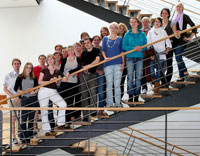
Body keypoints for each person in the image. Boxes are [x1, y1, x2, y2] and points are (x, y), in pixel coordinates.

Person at [38, 54, 67, 136]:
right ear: (47, 61)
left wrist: (57, 80)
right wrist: (49, 81)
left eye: (52, 59)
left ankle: (60, 123)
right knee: (44, 110)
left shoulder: (57, 71)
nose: (50, 61)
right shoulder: (44, 70)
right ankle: (46, 130)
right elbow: (39, 82)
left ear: (54, 60)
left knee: (63, 104)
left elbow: (59, 83)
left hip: (53, 91)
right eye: (49, 59)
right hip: (43, 91)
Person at [122, 17, 147, 102]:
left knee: (138, 77)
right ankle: (130, 96)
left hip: (140, 58)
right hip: (129, 58)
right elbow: (124, 46)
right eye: (131, 22)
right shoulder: (127, 34)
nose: (133, 23)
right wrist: (134, 48)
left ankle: (136, 96)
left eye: (134, 22)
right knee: (130, 77)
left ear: (138, 23)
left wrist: (141, 49)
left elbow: (145, 46)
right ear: (130, 23)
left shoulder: (142, 34)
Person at [14, 62, 39, 144]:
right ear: (25, 68)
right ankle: (23, 137)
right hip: (24, 99)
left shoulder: (34, 77)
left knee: (31, 119)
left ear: (32, 69)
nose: (28, 69)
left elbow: (37, 89)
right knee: (24, 119)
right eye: (27, 67)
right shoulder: (20, 77)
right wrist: (23, 92)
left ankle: (29, 138)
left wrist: (33, 92)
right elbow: (15, 88)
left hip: (33, 99)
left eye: (30, 68)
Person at [102, 22, 124, 107]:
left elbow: (122, 51)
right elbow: (103, 50)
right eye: (112, 27)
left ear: (117, 29)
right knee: (109, 84)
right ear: (110, 29)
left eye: (115, 27)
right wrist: (105, 57)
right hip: (108, 64)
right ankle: (110, 103)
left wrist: (123, 63)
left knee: (117, 84)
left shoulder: (120, 39)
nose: (113, 29)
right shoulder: (105, 38)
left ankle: (118, 103)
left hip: (118, 63)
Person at [173, 2, 197, 81]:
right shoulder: (175, 17)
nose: (178, 8)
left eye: (180, 7)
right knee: (177, 58)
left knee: (178, 57)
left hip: (182, 40)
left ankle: (184, 72)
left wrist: (190, 37)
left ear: (182, 8)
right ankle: (182, 75)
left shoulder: (185, 16)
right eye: (177, 7)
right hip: (175, 40)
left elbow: (194, 27)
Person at [147, 17, 172, 94]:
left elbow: (168, 42)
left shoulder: (163, 31)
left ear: (161, 23)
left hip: (161, 54)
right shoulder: (150, 32)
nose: (156, 23)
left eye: (158, 22)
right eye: (155, 21)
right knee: (151, 71)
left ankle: (156, 87)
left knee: (159, 72)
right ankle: (156, 83)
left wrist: (167, 49)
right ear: (153, 23)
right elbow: (148, 45)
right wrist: (151, 54)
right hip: (153, 54)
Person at [80, 38, 100, 121]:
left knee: (93, 92)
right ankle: (85, 115)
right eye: (85, 43)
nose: (87, 44)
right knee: (84, 95)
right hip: (84, 75)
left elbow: (97, 60)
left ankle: (93, 111)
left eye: (88, 43)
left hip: (92, 75)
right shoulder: (83, 52)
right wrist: (84, 68)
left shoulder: (96, 50)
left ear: (91, 43)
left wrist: (88, 66)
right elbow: (81, 64)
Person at [60, 45, 81, 123]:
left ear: (74, 51)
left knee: (70, 101)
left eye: (72, 50)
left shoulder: (77, 59)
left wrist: (70, 72)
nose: (71, 51)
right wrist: (63, 76)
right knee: (64, 101)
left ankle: (69, 119)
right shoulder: (65, 60)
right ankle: (64, 120)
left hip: (73, 83)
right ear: (67, 52)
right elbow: (60, 70)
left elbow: (79, 68)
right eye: (69, 50)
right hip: (65, 82)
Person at [3, 58, 21, 144]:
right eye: (15, 63)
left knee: (21, 118)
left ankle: (20, 135)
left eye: (18, 63)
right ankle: (13, 137)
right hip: (12, 99)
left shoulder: (22, 75)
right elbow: (5, 89)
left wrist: (20, 97)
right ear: (12, 65)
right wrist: (14, 96)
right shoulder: (8, 75)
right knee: (13, 118)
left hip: (20, 99)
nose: (17, 65)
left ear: (20, 65)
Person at [160, 8, 176, 86]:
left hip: (169, 46)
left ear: (168, 14)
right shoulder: (159, 23)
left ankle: (167, 81)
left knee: (169, 64)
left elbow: (175, 35)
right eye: (163, 13)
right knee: (161, 65)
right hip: (160, 47)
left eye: (166, 13)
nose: (164, 14)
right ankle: (163, 81)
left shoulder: (172, 23)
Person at [92, 35, 107, 116]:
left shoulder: (103, 49)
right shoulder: (91, 50)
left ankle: (100, 109)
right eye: (95, 40)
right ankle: (93, 110)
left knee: (101, 91)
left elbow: (106, 60)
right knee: (93, 92)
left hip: (102, 72)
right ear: (92, 41)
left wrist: (103, 70)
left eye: (98, 40)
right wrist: (97, 70)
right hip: (93, 73)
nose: (96, 41)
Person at [33, 54, 47, 135]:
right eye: (40, 59)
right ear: (38, 60)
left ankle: (45, 127)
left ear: (45, 60)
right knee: (36, 110)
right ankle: (35, 127)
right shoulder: (34, 69)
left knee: (45, 109)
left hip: (46, 90)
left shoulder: (47, 68)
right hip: (37, 90)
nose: (42, 60)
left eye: (43, 59)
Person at [118, 23, 128, 99]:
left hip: (125, 61)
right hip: (116, 62)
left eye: (123, 28)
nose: (121, 30)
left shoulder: (127, 38)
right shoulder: (115, 38)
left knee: (122, 81)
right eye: (120, 28)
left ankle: (120, 98)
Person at [141, 17, 151, 94]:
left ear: (149, 23)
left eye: (146, 22)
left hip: (151, 52)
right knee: (143, 71)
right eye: (143, 22)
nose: (145, 23)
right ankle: (144, 87)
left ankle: (153, 82)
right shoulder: (140, 32)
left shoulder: (152, 31)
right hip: (142, 53)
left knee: (151, 69)